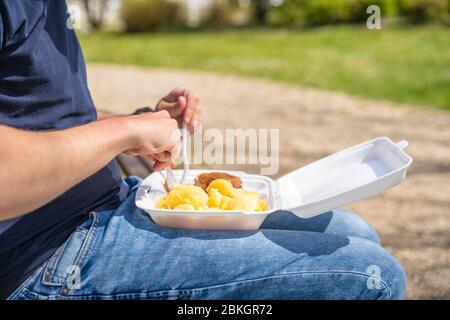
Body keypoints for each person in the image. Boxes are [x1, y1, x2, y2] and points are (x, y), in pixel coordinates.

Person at [0, 1, 406, 300]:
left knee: (353, 230)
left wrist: (143, 125)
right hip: (45, 260)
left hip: (109, 207)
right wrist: (125, 132)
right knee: (374, 276)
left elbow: (45, 119)